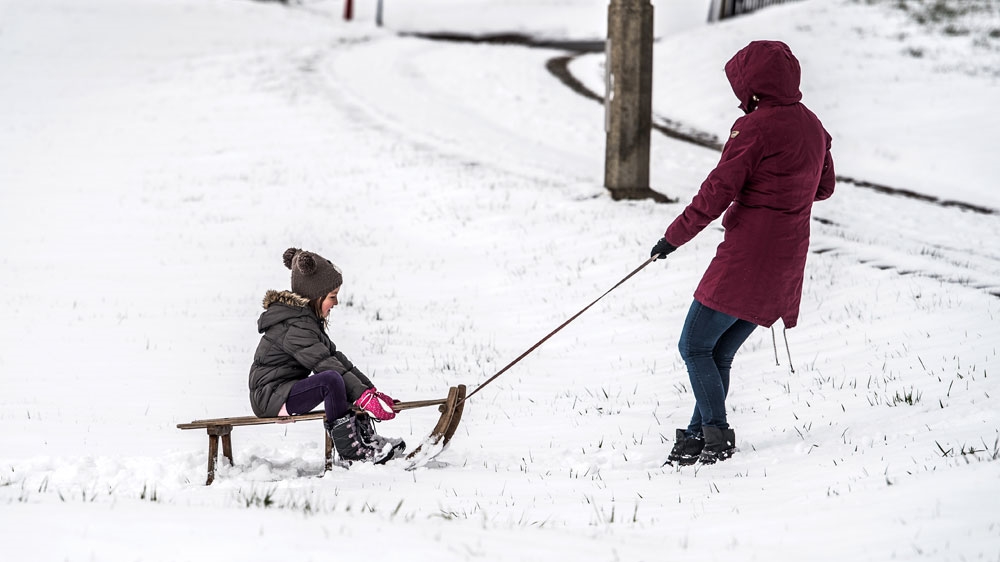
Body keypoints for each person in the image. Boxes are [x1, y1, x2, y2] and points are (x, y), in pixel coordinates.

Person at [650, 40, 835, 466]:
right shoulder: (813, 126)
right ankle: (697, 438)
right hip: (786, 260)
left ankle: (716, 437)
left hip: (748, 256)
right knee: (717, 352)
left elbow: (718, 190)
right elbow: (823, 188)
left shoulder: (754, 128)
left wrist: (673, 238)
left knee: (694, 345)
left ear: (751, 83)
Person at [248, 247, 405, 465]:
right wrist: (362, 396)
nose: (336, 303)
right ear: (315, 297)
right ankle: (351, 452)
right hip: (269, 396)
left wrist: (369, 391)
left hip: (283, 389)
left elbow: (334, 357)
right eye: (332, 297)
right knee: (331, 380)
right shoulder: (296, 327)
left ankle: (366, 440)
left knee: (340, 378)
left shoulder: (305, 321)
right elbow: (324, 364)